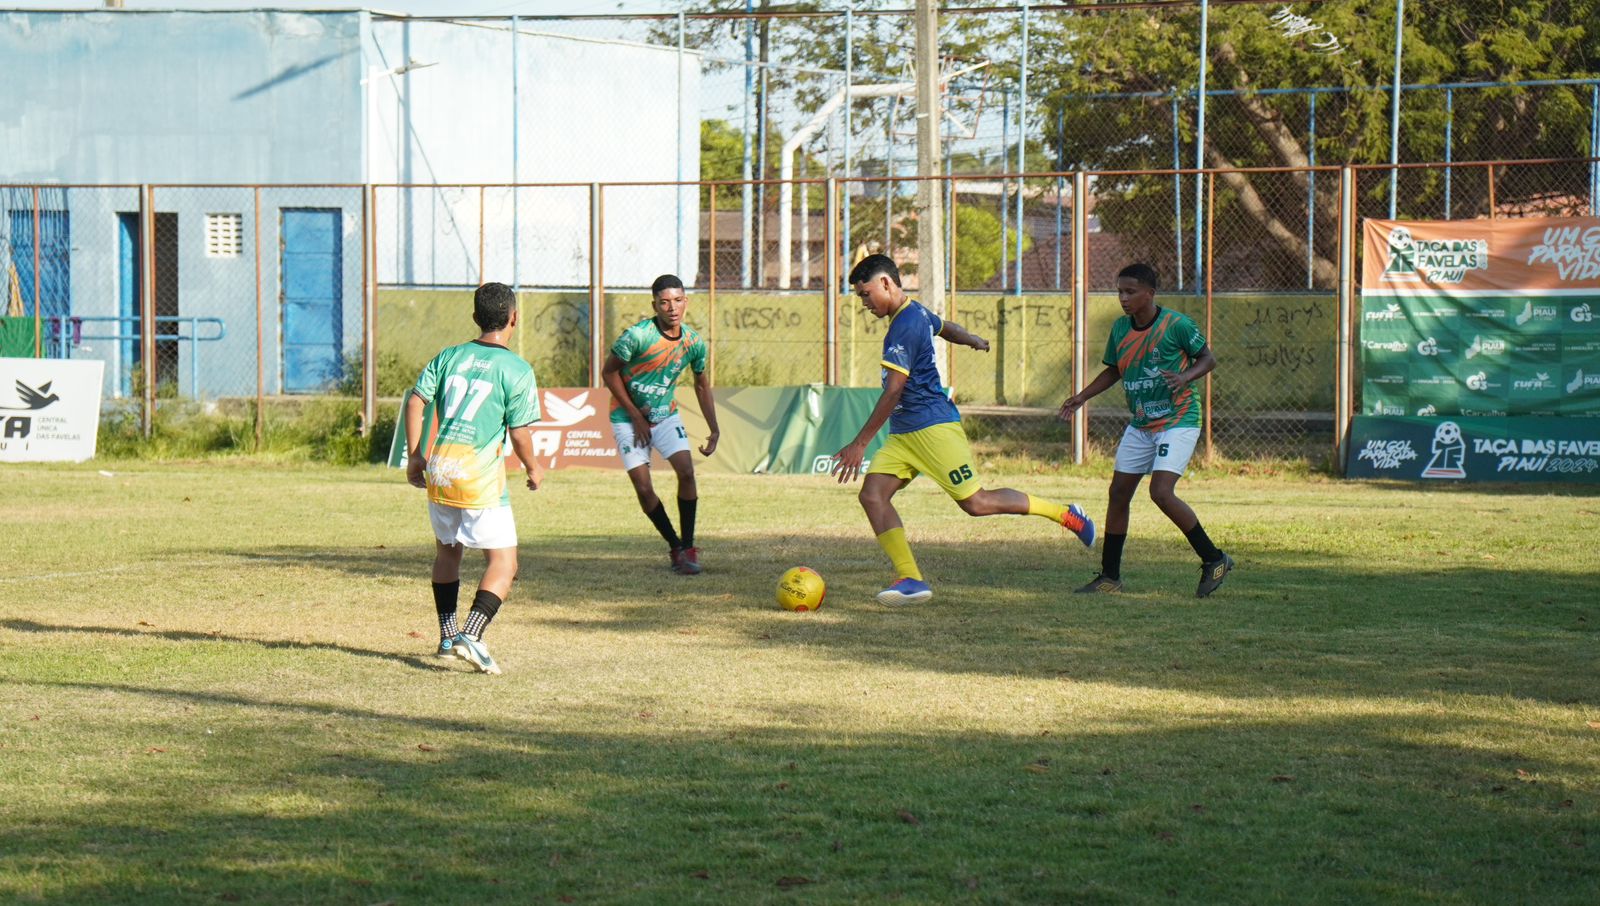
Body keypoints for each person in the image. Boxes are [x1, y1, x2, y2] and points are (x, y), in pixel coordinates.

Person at [830, 254, 1096, 606]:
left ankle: (1065, 514)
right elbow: (945, 326)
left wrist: (860, 443)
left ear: (885, 283)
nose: (864, 303)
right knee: (873, 495)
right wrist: (971, 339)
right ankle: (911, 578)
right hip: (906, 433)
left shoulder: (904, 326)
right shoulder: (915, 313)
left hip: (933, 428)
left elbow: (894, 389)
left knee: (976, 502)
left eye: (865, 294)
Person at [1056, 262, 1234, 597]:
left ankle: (1215, 559)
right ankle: (1110, 577)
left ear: (1150, 293)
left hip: (1178, 419)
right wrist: (1081, 397)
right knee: (1118, 494)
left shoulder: (1176, 325)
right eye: (1119, 291)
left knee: (1161, 493)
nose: (1123, 298)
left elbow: (1208, 359)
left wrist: (1183, 377)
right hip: (1140, 423)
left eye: (1130, 292)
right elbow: (1115, 371)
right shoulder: (1120, 330)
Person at [405, 282, 543, 675]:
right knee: (504, 562)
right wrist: (533, 466)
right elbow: (519, 432)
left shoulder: (449, 356)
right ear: (514, 318)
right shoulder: (516, 369)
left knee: (448, 553)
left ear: (475, 317)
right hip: (478, 479)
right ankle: (471, 633)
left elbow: (416, 401)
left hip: (442, 471)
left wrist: (416, 456)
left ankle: (448, 636)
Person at [601, 274, 720, 574]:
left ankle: (688, 547)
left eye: (678, 300)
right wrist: (636, 415)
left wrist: (714, 428)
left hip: (666, 415)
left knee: (687, 472)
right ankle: (674, 545)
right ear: (654, 304)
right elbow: (609, 372)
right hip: (627, 419)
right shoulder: (637, 337)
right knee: (643, 488)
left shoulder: (693, 342)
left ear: (686, 302)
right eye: (664, 302)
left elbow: (702, 384)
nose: (672, 308)